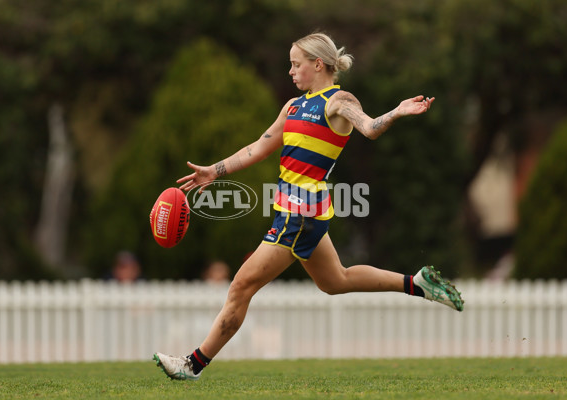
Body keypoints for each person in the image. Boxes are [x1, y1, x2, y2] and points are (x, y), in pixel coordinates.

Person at [153, 32, 464, 381]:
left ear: (318, 64)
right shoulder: (293, 107)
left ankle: (192, 364)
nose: (290, 71)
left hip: (299, 214)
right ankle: (417, 283)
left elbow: (370, 128)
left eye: (296, 64)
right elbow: (258, 148)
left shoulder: (337, 101)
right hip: (302, 214)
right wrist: (215, 170)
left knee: (241, 287)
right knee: (336, 280)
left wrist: (396, 112)